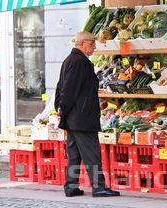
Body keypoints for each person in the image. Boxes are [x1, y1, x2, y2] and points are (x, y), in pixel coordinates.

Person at [54, 31, 120, 198]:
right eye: (91, 44)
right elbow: (68, 90)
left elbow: (60, 86)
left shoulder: (70, 60)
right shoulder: (79, 62)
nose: (94, 47)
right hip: (82, 117)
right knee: (92, 153)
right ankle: (99, 187)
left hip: (74, 117)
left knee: (74, 154)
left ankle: (71, 187)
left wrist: (61, 110)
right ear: (82, 43)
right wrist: (63, 109)